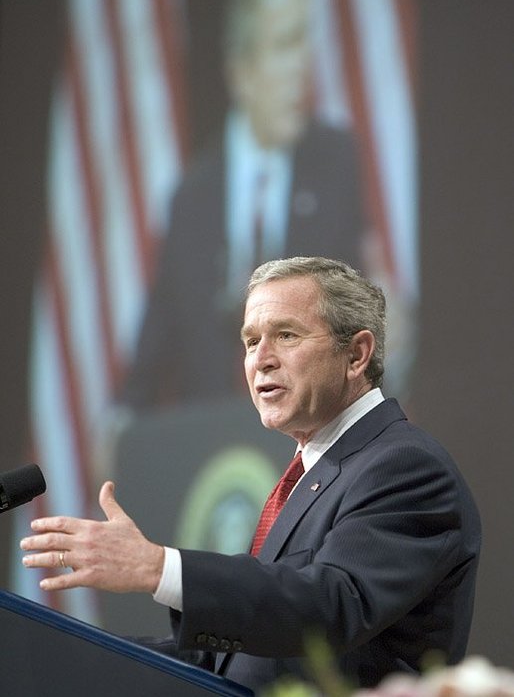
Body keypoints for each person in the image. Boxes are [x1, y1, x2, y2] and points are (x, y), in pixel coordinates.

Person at [21, 256, 481, 693]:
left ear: (357, 354)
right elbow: (237, 659)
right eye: (250, 341)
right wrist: (61, 654)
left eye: (285, 335)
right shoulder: (314, 471)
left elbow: (333, 607)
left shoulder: (404, 465)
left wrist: (158, 568)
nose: (260, 359)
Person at [117, 0, 364, 408]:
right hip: (212, 466)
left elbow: (355, 323)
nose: (303, 66)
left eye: (305, 41)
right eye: (286, 44)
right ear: (242, 69)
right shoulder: (193, 198)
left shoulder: (336, 164)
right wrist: (119, 424)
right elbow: (153, 354)